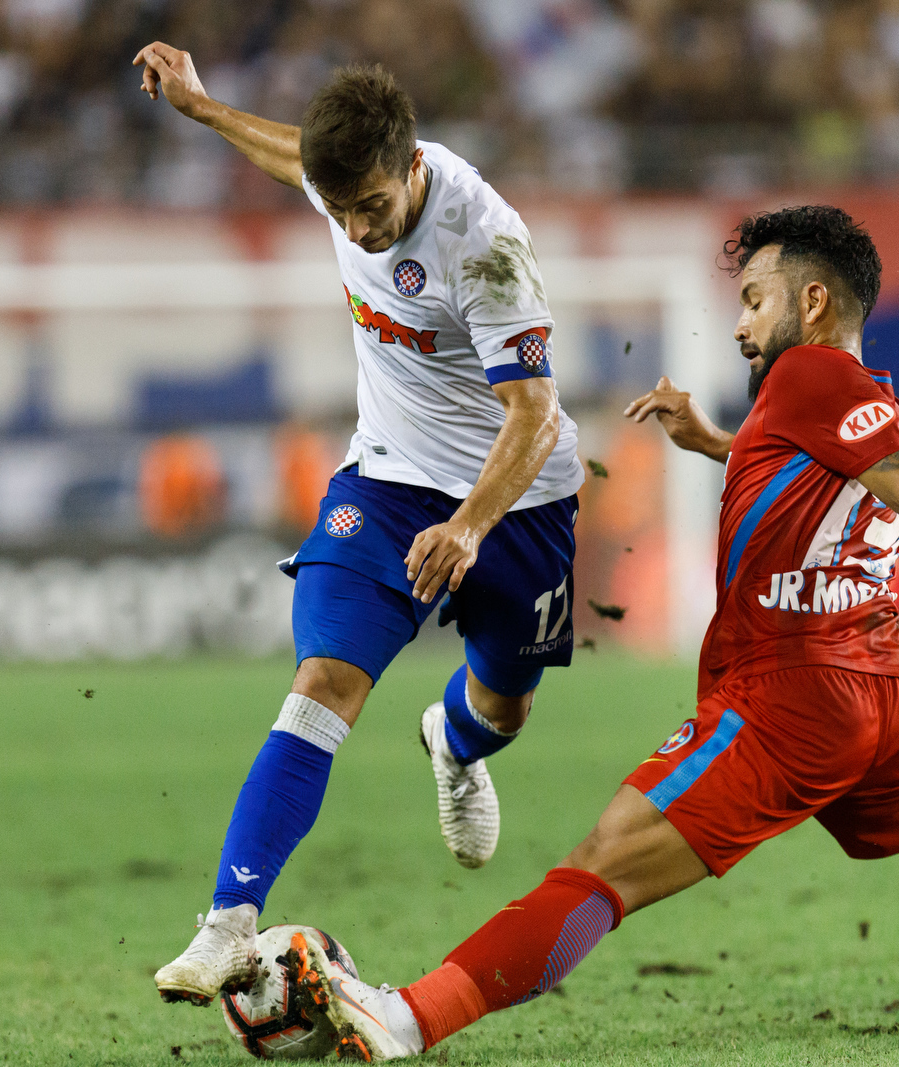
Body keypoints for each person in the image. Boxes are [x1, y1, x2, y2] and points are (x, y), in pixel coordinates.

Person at [275, 206, 899, 1059]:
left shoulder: (815, 379)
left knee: (605, 862)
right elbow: (831, 472)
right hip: (885, 694)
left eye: (753, 299)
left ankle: (408, 1017)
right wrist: (712, 440)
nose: (741, 324)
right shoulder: (830, 402)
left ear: (815, 302)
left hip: (795, 691)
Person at [132, 46, 586, 1005]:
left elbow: (534, 413)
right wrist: (205, 109)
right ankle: (227, 924)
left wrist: (469, 526)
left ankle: (455, 741)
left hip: (515, 499)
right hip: (385, 480)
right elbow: (287, 152)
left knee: (507, 706)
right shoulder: (342, 179)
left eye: (370, 208)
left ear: (412, 163)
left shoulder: (486, 245)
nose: (357, 230)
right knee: (322, 681)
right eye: (338, 211)